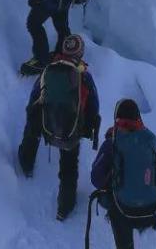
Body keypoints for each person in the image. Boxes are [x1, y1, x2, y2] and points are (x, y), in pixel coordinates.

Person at [18, 33, 100, 221]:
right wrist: (87, 128)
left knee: (32, 133)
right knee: (69, 167)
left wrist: (33, 116)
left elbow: (35, 96)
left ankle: (26, 163)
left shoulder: (49, 69)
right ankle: (65, 206)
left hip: (46, 120)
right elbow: (94, 106)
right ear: (80, 53)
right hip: (71, 128)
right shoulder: (84, 75)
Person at [89, 99, 156, 249]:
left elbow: (96, 178)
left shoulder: (112, 143)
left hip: (125, 211)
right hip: (153, 210)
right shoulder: (150, 139)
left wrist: (114, 176)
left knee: (113, 204)